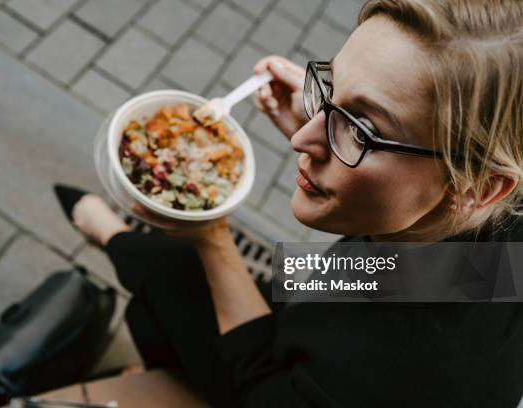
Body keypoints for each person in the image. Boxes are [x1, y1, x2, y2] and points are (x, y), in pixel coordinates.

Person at [55, 0, 523, 406]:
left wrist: (214, 237)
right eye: (330, 85)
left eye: (365, 131)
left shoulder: (400, 375)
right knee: (238, 281)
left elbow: (261, 393)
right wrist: (343, 114)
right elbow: (401, 273)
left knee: (168, 273)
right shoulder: (479, 223)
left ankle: (114, 239)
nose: (301, 138)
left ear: (480, 187)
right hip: (358, 290)